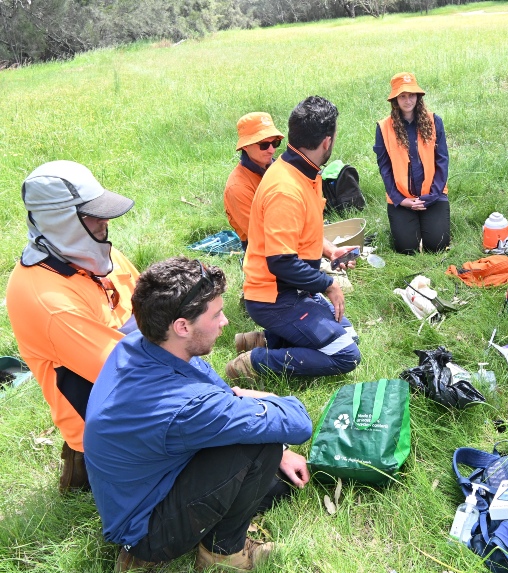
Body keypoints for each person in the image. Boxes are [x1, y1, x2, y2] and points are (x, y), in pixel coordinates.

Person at [84, 257, 313, 571]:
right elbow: (299, 423)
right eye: (216, 314)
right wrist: (268, 398)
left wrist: (281, 450)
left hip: (146, 486)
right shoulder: (184, 406)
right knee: (263, 445)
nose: (225, 322)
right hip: (148, 532)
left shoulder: (142, 341)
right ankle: (222, 555)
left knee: (276, 479)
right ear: (182, 326)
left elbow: (212, 387)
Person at [5, 160, 138, 493]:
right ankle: (85, 469)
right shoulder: (46, 299)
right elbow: (131, 372)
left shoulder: (97, 253)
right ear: (62, 223)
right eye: (94, 216)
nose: (106, 221)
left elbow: (153, 307)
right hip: (107, 427)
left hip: (129, 395)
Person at [226, 96, 361, 382]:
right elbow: (281, 263)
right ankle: (255, 361)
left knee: (349, 336)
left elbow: (300, 235)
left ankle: (266, 341)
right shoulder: (285, 189)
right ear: (327, 141)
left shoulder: (303, 171)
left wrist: (331, 252)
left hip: (294, 289)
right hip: (276, 298)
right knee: (346, 354)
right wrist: (328, 284)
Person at [374, 72, 450, 254]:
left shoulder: (434, 121)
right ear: (395, 100)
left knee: (437, 245)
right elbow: (384, 168)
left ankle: (428, 220)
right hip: (401, 197)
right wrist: (401, 200)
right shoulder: (383, 127)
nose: (408, 100)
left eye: (411, 95)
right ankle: (409, 221)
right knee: (407, 248)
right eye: (403, 96)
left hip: (433, 194)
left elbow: (442, 160)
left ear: (418, 96)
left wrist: (432, 195)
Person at [224, 112, 285, 249]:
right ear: (245, 146)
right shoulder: (237, 187)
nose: (271, 150)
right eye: (264, 145)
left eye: (275, 143)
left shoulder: (281, 169)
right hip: (265, 253)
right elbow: (261, 236)